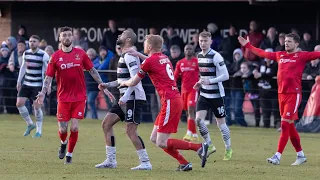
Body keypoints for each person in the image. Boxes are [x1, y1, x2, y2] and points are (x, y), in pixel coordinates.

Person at [118, 34, 209, 171]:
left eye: (144, 44)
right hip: (173, 99)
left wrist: (123, 82)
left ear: (149, 47)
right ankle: (184, 163)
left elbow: (134, 81)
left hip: (170, 100)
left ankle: (199, 147)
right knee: (155, 138)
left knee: (161, 141)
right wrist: (138, 54)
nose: (143, 46)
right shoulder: (164, 57)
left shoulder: (149, 62)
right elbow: (151, 61)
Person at [35, 26, 114, 164]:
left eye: (68, 35)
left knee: (75, 127)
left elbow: (92, 70)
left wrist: (102, 85)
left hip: (79, 97)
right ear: (60, 38)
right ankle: (63, 142)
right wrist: (42, 92)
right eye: (63, 35)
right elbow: (48, 78)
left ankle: (69, 155)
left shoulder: (81, 54)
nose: (66, 37)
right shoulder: (55, 57)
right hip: (63, 98)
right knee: (63, 128)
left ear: (72, 37)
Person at [238, 33, 320, 165]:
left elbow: (318, 54)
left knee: (284, 124)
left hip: (294, 94)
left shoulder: (302, 55)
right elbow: (262, 53)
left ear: (297, 44)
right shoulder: (279, 55)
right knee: (290, 127)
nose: (286, 43)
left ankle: (277, 156)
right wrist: (247, 45)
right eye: (286, 41)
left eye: (289, 41)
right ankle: (301, 155)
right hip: (281, 94)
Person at [95, 29, 152, 170]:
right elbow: (123, 79)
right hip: (124, 97)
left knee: (130, 131)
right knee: (106, 124)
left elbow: (135, 80)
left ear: (128, 40)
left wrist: (126, 97)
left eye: (122, 35)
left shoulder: (131, 56)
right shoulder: (124, 55)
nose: (119, 36)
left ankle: (145, 163)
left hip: (132, 97)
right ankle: (111, 160)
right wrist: (108, 84)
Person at [193, 31, 232, 161]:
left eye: (205, 41)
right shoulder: (198, 55)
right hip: (204, 94)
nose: (203, 43)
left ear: (210, 42)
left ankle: (228, 148)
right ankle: (209, 145)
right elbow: (204, 75)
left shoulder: (216, 56)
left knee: (221, 124)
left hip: (216, 95)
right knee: (198, 120)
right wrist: (199, 82)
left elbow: (225, 76)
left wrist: (210, 81)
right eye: (201, 41)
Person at [16, 35, 49, 138]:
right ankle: (30, 124)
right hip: (26, 83)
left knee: (37, 107)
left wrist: (46, 87)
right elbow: (23, 68)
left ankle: (39, 131)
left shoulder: (44, 55)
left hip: (37, 85)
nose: (32, 43)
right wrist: (19, 81)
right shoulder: (26, 53)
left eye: (34, 41)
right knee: (19, 104)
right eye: (30, 41)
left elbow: (47, 72)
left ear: (38, 43)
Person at [173, 44, 199, 141]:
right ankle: (195, 133)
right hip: (184, 91)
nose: (188, 50)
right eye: (187, 49)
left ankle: (188, 133)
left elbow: (203, 74)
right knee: (187, 112)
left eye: (190, 49)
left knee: (191, 109)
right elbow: (175, 77)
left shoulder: (197, 62)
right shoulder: (180, 63)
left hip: (193, 90)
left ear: (193, 51)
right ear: (184, 51)